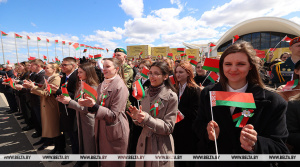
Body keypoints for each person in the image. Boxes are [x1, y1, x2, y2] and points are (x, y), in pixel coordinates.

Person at [193, 41, 289, 167]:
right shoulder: (208, 93)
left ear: (250, 66)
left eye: (241, 64)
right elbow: (198, 125)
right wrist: (208, 133)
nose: (233, 69)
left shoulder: (273, 101)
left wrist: (256, 143)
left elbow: (280, 148)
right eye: (228, 64)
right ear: (221, 66)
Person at [75, 58, 129, 167]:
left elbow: (113, 115)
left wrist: (93, 106)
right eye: (103, 66)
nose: (104, 69)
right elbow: (98, 105)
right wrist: (89, 104)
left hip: (114, 129)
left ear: (117, 69)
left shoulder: (120, 87)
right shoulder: (103, 83)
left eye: (108, 66)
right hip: (101, 127)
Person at [127, 61, 178, 167]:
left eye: (156, 73)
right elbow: (143, 122)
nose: (152, 76)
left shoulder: (171, 96)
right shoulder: (145, 93)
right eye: (150, 73)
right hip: (143, 143)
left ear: (165, 76)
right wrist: (137, 118)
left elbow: (168, 128)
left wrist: (146, 118)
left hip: (160, 147)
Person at [56, 62, 98, 167]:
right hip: (79, 118)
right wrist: (65, 100)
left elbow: (87, 108)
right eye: (78, 72)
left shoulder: (92, 86)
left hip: (89, 120)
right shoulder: (80, 83)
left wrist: (69, 102)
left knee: (90, 146)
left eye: (80, 72)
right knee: (81, 143)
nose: (78, 74)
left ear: (88, 73)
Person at [23, 63, 61, 151]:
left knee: (54, 128)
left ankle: (59, 148)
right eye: (45, 68)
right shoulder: (50, 78)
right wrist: (33, 86)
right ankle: (54, 145)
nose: (45, 69)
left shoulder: (56, 78)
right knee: (50, 127)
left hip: (51, 106)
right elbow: (44, 89)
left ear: (54, 69)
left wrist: (32, 87)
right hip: (46, 105)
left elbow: (46, 93)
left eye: (47, 68)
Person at [50, 57, 78, 165]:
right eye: (62, 65)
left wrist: (57, 90)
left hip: (73, 110)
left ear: (73, 65)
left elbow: (75, 95)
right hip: (65, 109)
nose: (62, 67)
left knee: (75, 135)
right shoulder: (65, 77)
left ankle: (77, 154)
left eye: (65, 65)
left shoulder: (76, 77)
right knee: (70, 134)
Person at [173, 61, 201, 167]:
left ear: (188, 73)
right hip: (177, 128)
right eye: (176, 72)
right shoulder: (175, 88)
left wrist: (178, 110)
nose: (178, 75)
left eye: (181, 72)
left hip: (189, 130)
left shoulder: (194, 89)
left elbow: (195, 112)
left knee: (189, 158)